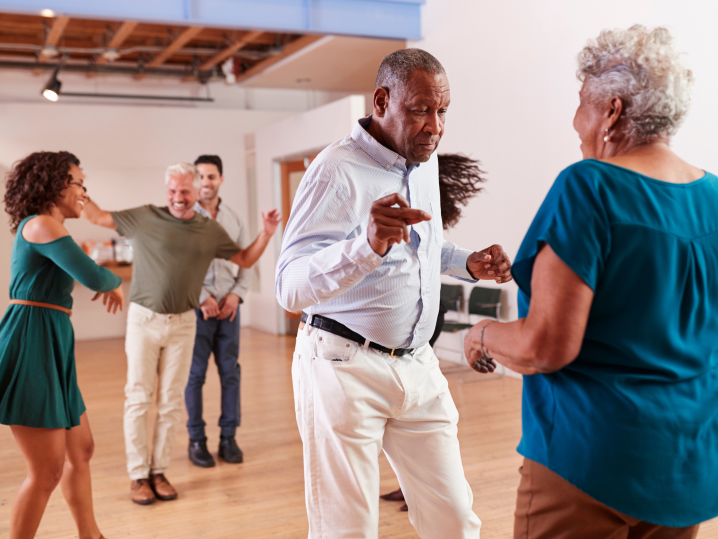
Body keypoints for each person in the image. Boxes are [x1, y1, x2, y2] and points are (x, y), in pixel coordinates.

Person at [464, 26, 716, 539]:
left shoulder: (589, 188)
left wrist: (481, 334)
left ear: (612, 111)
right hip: (687, 462)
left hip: (589, 461)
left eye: (581, 102)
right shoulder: (713, 197)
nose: (574, 121)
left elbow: (544, 346)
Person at [275, 49, 512, 539]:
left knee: (455, 521)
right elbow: (289, 286)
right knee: (349, 529)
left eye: (442, 111)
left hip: (417, 365)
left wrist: (466, 263)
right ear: (382, 100)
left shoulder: (421, 165)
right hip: (343, 367)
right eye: (421, 109)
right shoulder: (334, 170)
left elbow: (424, 245)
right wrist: (366, 245)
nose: (435, 126)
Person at [82, 162, 280, 505]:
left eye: (184, 191)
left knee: (172, 403)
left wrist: (266, 233)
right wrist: (76, 189)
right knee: (139, 398)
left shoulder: (208, 229)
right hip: (144, 321)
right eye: (172, 191)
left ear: (196, 189)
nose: (178, 197)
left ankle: (158, 471)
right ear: (166, 190)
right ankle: (137, 476)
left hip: (183, 325)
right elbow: (97, 217)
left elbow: (245, 259)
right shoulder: (145, 217)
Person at [0, 151, 124, 539]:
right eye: (79, 182)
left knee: (81, 448)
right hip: (31, 341)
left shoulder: (48, 226)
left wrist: (109, 280)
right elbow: (94, 277)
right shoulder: (41, 225)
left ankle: (91, 535)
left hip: (52, 338)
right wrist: (114, 282)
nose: (84, 192)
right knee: (47, 470)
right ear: (54, 184)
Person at [381, 152, 487, 511]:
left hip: (424, 319)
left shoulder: (420, 189)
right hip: (409, 323)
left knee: (415, 407)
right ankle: (411, 482)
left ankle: (418, 484)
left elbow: (432, 250)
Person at [185, 155, 251, 467]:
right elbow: (177, 265)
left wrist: (236, 296)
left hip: (229, 311)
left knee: (230, 374)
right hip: (196, 312)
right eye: (199, 177)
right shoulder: (182, 218)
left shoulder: (235, 219)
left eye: (210, 176)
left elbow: (246, 262)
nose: (205, 183)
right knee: (195, 375)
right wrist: (201, 297)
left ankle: (229, 438)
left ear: (221, 179)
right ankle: (196, 440)